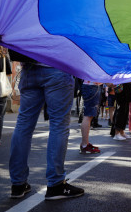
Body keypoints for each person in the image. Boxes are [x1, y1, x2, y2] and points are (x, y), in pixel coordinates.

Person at [8, 50, 84, 200]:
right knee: (59, 125)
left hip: (29, 69)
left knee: (23, 125)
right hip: (57, 67)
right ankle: (56, 184)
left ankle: (17, 184)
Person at [79, 80, 102, 154]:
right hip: (92, 86)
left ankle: (85, 143)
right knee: (88, 116)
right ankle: (85, 145)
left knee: (89, 116)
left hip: (91, 85)